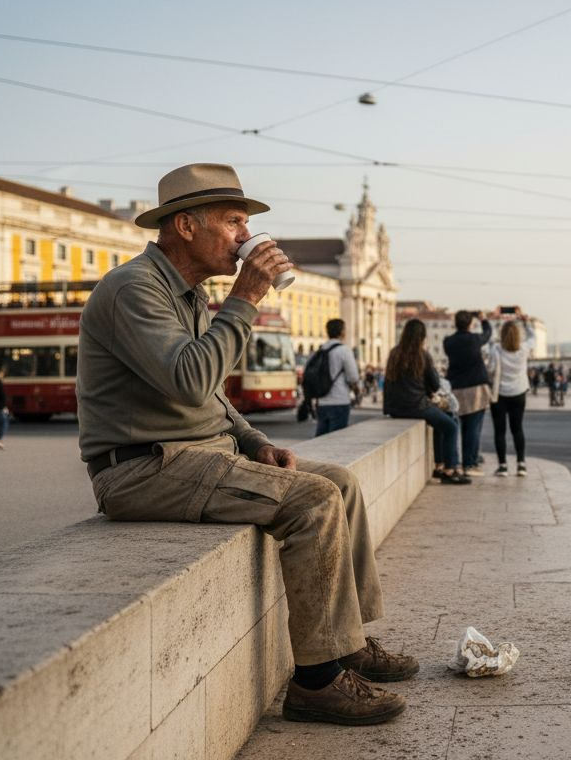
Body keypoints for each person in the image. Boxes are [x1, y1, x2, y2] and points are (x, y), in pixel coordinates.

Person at [77, 163, 414, 726]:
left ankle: (348, 643)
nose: (244, 236)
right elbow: (189, 378)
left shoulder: (184, 293)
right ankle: (317, 681)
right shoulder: (135, 287)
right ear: (186, 226)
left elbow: (208, 392)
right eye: (234, 221)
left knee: (341, 483)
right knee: (313, 501)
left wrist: (254, 439)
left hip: (198, 455)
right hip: (143, 467)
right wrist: (248, 295)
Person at [384, 318, 469, 484]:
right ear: (422, 336)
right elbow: (436, 384)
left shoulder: (394, 353)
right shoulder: (422, 355)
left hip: (395, 407)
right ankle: (450, 469)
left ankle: (439, 465)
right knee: (451, 426)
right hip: (416, 405)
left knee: (442, 421)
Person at [443, 310, 493, 475]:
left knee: (460, 426)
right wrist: (483, 319)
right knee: (473, 427)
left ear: (455, 323)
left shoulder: (448, 342)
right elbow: (488, 333)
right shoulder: (474, 339)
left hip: (456, 388)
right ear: (470, 324)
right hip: (476, 388)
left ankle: (462, 461)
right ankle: (469, 464)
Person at [488, 319, 533, 477]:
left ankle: (503, 466)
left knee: (500, 431)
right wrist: (524, 321)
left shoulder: (496, 349)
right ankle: (521, 464)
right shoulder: (524, 349)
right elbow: (532, 337)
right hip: (519, 392)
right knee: (517, 429)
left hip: (500, 394)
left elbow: (492, 369)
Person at [314, 318, 360, 437]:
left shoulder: (320, 350)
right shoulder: (344, 350)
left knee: (321, 441)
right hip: (339, 401)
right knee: (336, 440)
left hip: (322, 401)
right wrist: (357, 392)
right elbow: (353, 377)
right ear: (342, 332)